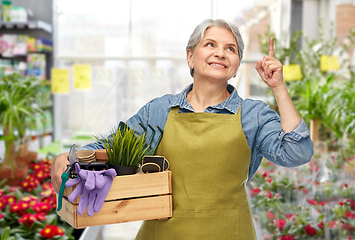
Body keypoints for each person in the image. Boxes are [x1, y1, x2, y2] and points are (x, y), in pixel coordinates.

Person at [51, 19, 314, 239]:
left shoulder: (252, 115)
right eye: (210, 44)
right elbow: (111, 145)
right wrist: (68, 157)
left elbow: (297, 152)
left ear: (235, 67)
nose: (220, 53)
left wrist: (278, 87)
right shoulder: (159, 111)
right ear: (190, 56)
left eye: (230, 49)